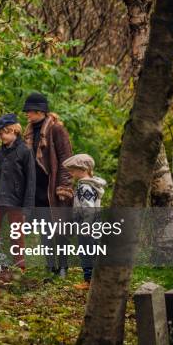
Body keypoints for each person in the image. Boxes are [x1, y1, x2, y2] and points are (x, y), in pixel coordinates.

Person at [23, 92, 73, 278]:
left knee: (59, 229)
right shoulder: (29, 131)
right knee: (44, 228)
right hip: (37, 188)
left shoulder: (56, 129)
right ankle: (50, 265)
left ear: (39, 111)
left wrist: (64, 186)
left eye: (29, 110)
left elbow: (66, 159)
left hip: (53, 188)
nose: (27, 114)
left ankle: (63, 267)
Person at [0, 113, 35, 270]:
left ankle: (20, 268)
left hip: (16, 201)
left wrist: (27, 207)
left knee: (16, 236)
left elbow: (31, 181)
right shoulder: (0, 152)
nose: (1, 137)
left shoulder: (25, 151)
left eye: (3, 134)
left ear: (13, 130)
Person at [62, 153, 107, 290]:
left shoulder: (84, 187)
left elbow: (88, 208)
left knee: (87, 253)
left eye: (73, 170)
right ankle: (96, 279)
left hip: (87, 227)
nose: (71, 173)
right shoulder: (90, 185)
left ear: (84, 170)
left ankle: (89, 281)